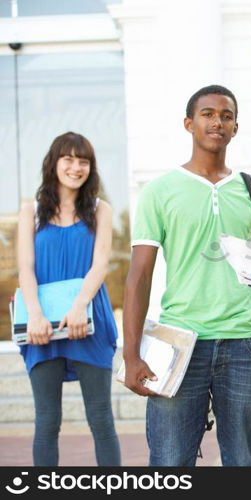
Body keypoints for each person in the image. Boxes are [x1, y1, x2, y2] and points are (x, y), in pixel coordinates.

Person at [123, 84, 251, 466]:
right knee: (170, 463)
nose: (217, 122)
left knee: (243, 461)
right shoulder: (160, 191)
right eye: (207, 114)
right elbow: (139, 276)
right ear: (189, 124)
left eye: (226, 115)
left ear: (235, 127)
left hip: (246, 344)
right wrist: (131, 353)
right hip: (178, 343)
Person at [16, 131, 121, 466]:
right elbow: (26, 268)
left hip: (89, 321)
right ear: (54, 163)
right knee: (47, 421)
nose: (76, 167)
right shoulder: (30, 211)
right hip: (41, 325)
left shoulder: (99, 209)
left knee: (101, 419)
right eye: (69, 159)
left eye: (84, 161)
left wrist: (79, 307)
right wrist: (34, 314)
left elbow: (100, 264)